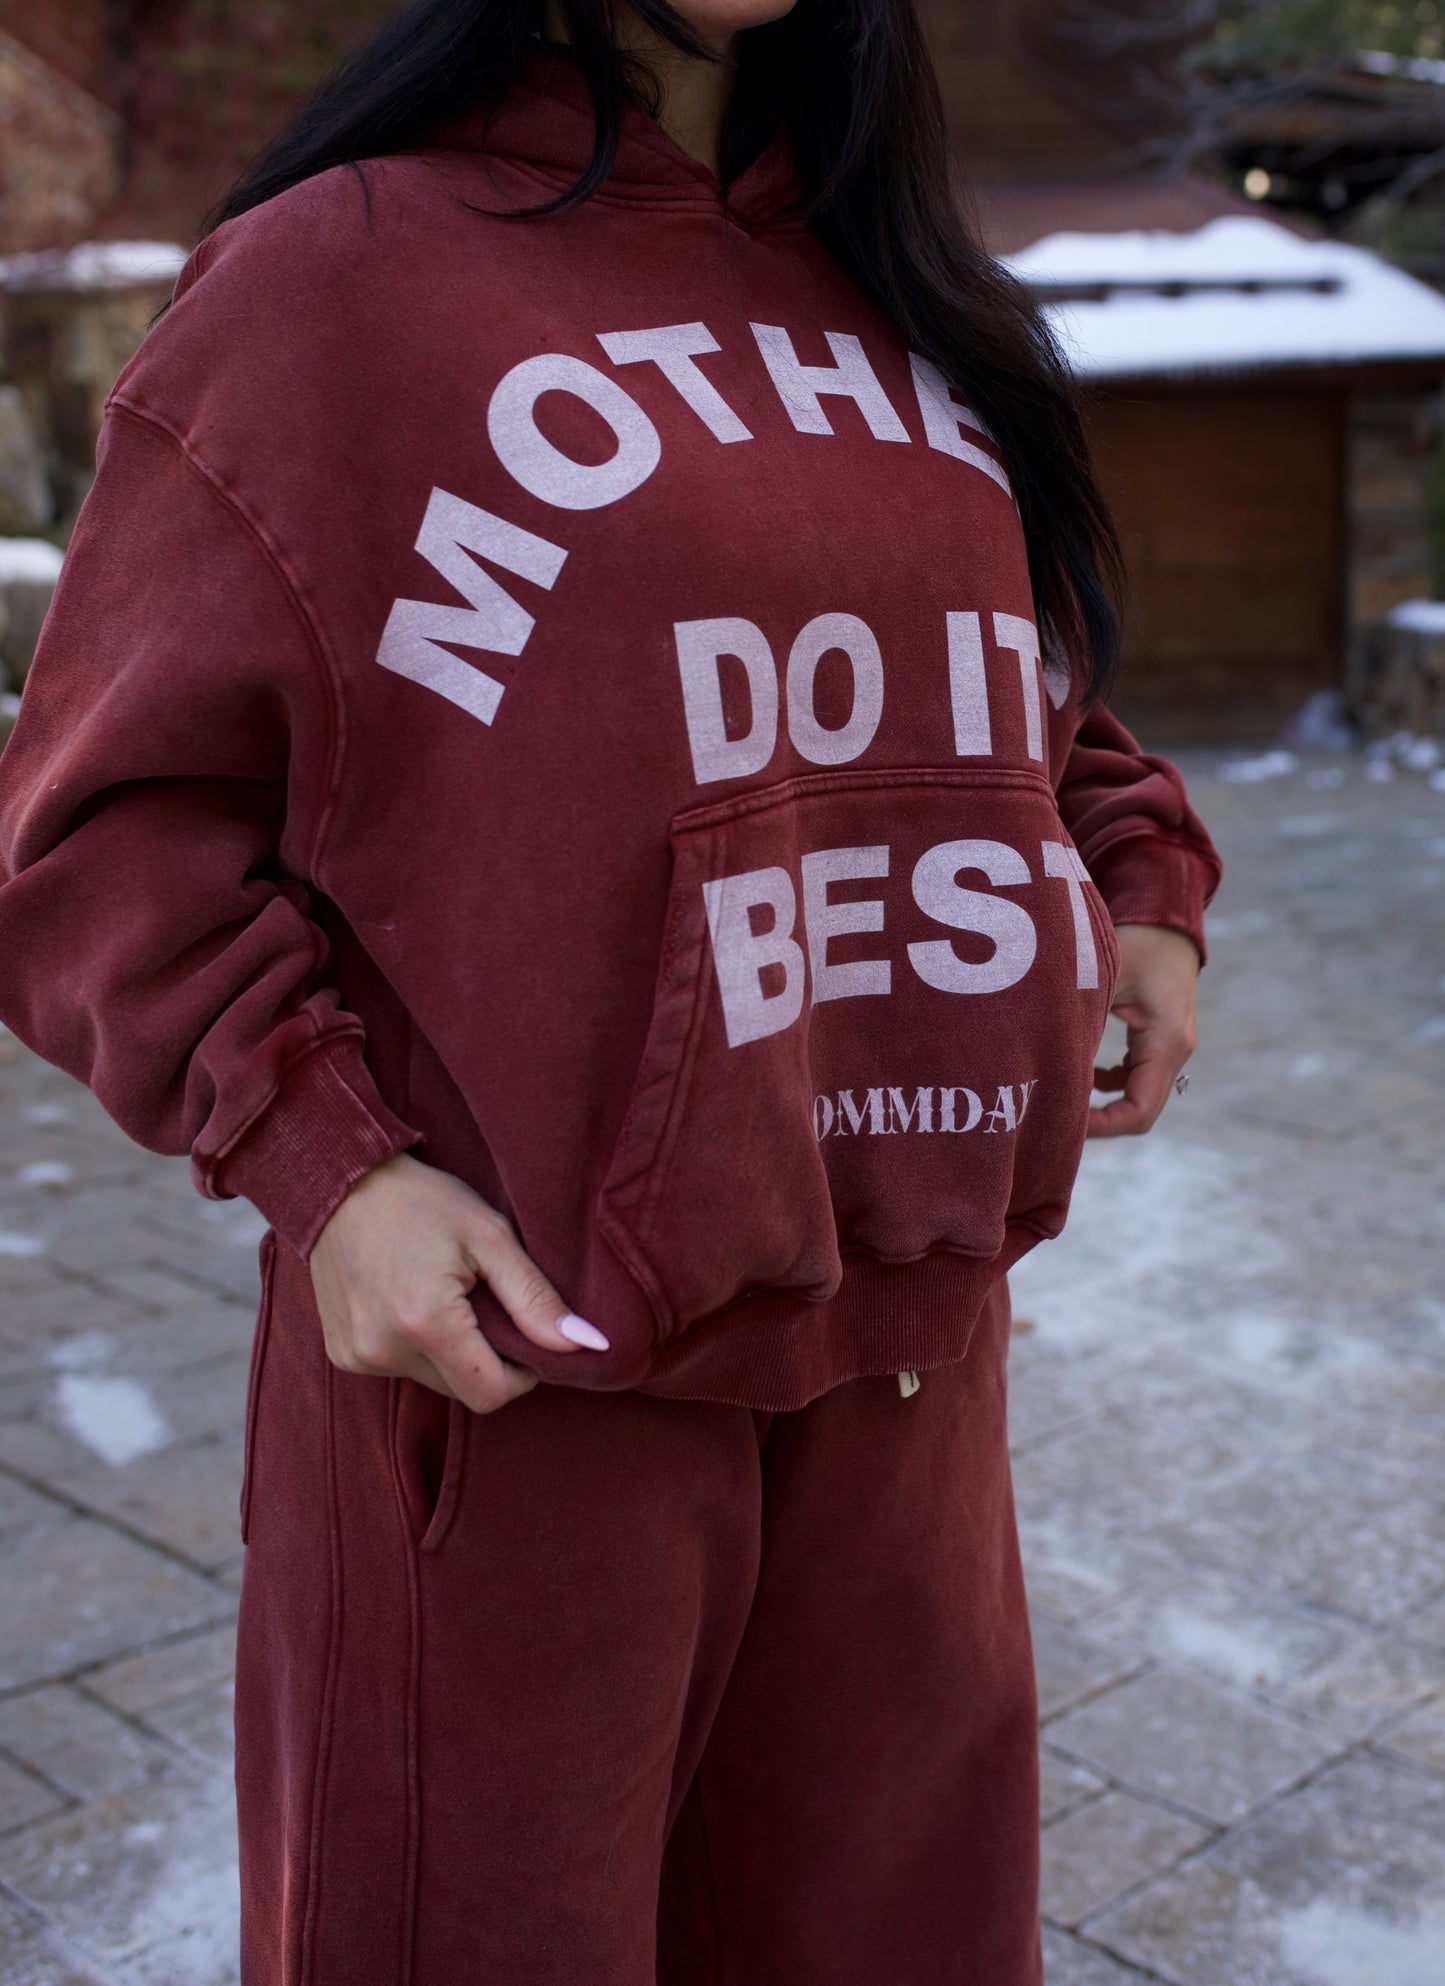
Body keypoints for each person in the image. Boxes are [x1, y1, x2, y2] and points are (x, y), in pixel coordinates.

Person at [0, 0, 1221, 1978]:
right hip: (517, 1365)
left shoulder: (886, 267)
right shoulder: (341, 278)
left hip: (900, 1351)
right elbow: (89, 823)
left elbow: (994, 666)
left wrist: (1136, 865)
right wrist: (330, 1162)